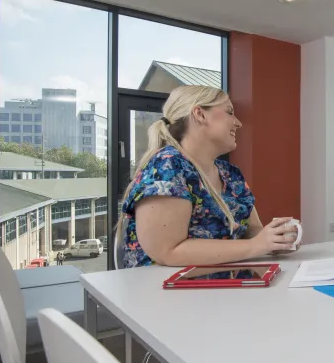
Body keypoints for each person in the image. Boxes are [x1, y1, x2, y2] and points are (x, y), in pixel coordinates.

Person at [119, 84, 298, 268]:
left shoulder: (231, 174)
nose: (238, 122)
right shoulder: (166, 166)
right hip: (167, 292)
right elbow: (168, 252)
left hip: (227, 289)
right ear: (200, 114)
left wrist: (274, 240)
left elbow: (252, 231)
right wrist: (256, 246)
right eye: (229, 112)